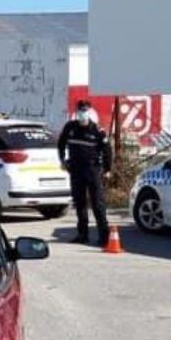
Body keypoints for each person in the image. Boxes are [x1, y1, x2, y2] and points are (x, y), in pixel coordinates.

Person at [58, 100, 112, 246]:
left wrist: (107, 169)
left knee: (98, 204)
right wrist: (62, 159)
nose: (82, 113)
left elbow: (107, 151)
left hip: (93, 171)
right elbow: (61, 143)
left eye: (85, 110)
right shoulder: (70, 128)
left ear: (89, 112)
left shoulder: (97, 131)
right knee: (80, 203)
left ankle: (104, 237)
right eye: (80, 110)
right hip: (75, 170)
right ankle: (82, 235)